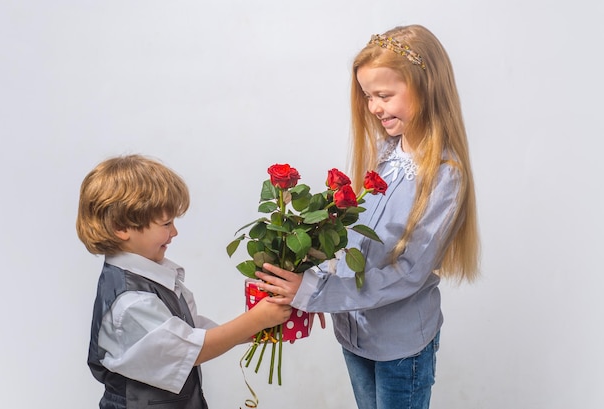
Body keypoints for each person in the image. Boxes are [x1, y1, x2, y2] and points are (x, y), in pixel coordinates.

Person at [255, 24, 480, 409]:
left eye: (384, 95)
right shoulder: (384, 152)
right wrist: (319, 281)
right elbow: (352, 239)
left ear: (426, 87)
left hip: (399, 346)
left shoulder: (444, 175)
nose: (374, 107)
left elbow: (409, 272)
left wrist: (320, 293)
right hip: (355, 333)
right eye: (367, 96)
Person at [76, 154, 292, 409]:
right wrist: (256, 320)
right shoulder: (130, 301)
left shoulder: (149, 277)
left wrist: (256, 330)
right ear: (122, 227)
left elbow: (189, 330)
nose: (174, 232)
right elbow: (193, 349)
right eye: (166, 223)